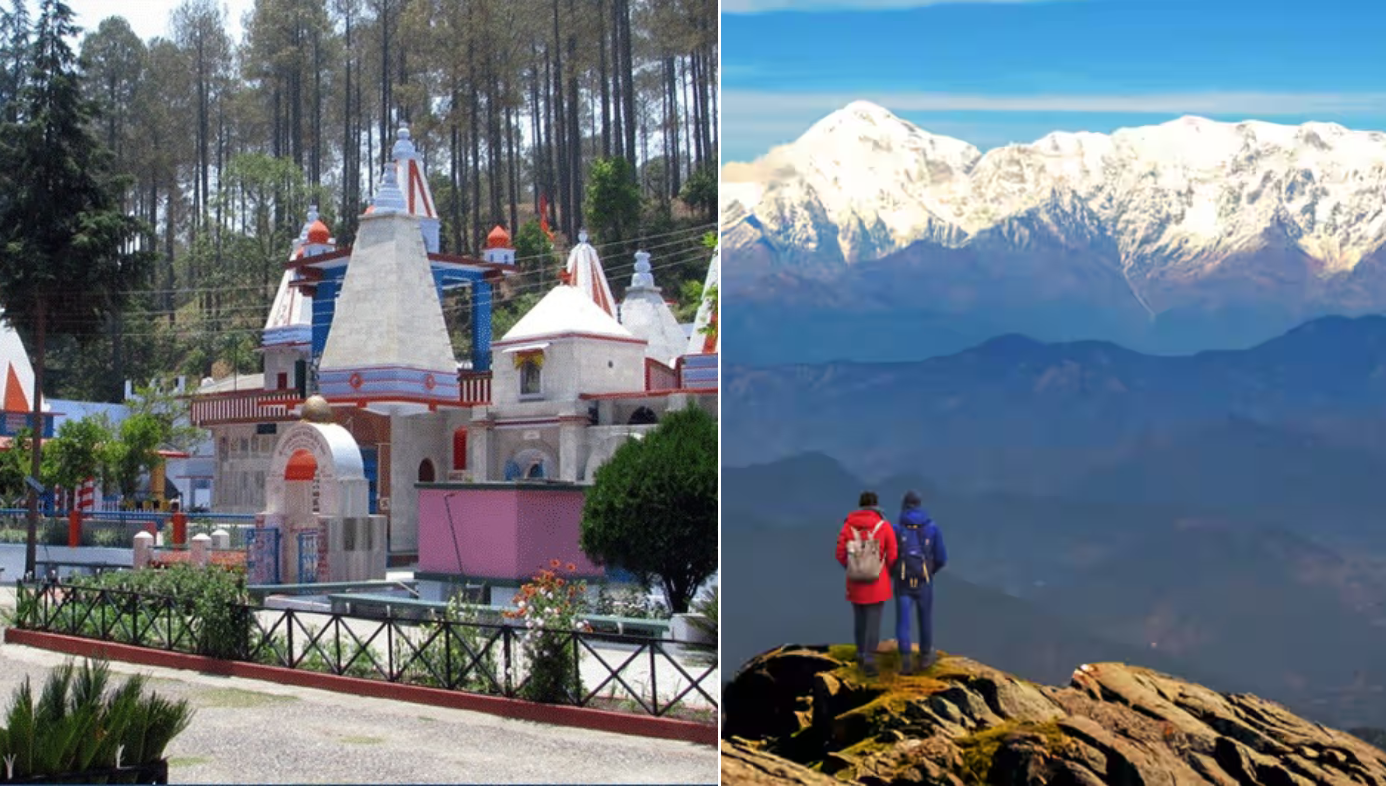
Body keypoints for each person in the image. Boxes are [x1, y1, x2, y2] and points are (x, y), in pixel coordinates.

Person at [836, 490, 898, 677]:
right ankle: (870, 659)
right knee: (873, 621)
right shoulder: (884, 526)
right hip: (878, 582)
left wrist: (854, 567)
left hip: (855, 583)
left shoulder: (848, 526)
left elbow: (839, 553)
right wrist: (884, 570)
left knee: (860, 620)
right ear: (876, 506)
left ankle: (860, 653)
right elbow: (893, 554)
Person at [893, 490, 948, 674]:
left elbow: (890, 556)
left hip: (903, 582)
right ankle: (925, 656)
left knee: (903, 621)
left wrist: (895, 573)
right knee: (925, 618)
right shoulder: (932, 527)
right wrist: (929, 572)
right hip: (924, 581)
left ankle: (906, 660)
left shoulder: (897, 528)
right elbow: (941, 558)